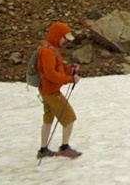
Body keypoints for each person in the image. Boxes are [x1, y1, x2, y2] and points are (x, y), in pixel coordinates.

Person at [36, 21, 82, 159]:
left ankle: (43, 150)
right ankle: (64, 147)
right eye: (65, 38)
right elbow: (50, 74)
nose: (66, 41)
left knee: (48, 119)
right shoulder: (49, 52)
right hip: (51, 92)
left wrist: (69, 69)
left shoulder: (50, 49)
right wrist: (70, 79)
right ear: (57, 36)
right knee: (69, 118)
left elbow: (57, 67)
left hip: (46, 90)